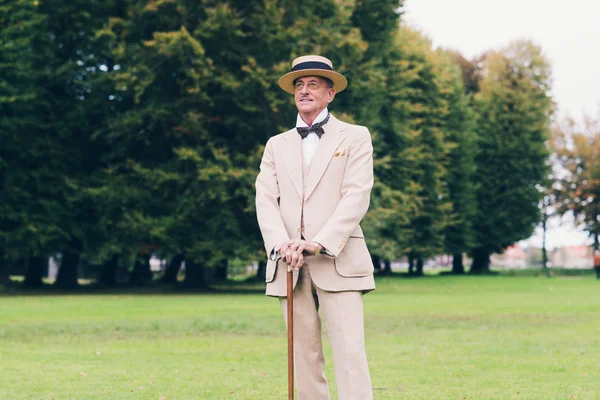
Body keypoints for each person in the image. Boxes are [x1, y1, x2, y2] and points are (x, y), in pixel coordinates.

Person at [255, 55, 375, 400]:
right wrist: (282, 245)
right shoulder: (276, 145)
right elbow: (265, 200)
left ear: (330, 93)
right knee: (303, 357)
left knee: (349, 353)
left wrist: (319, 243)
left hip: (339, 259)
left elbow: (357, 195)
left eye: (312, 84)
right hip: (289, 265)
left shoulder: (355, 137)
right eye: (298, 85)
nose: (304, 91)